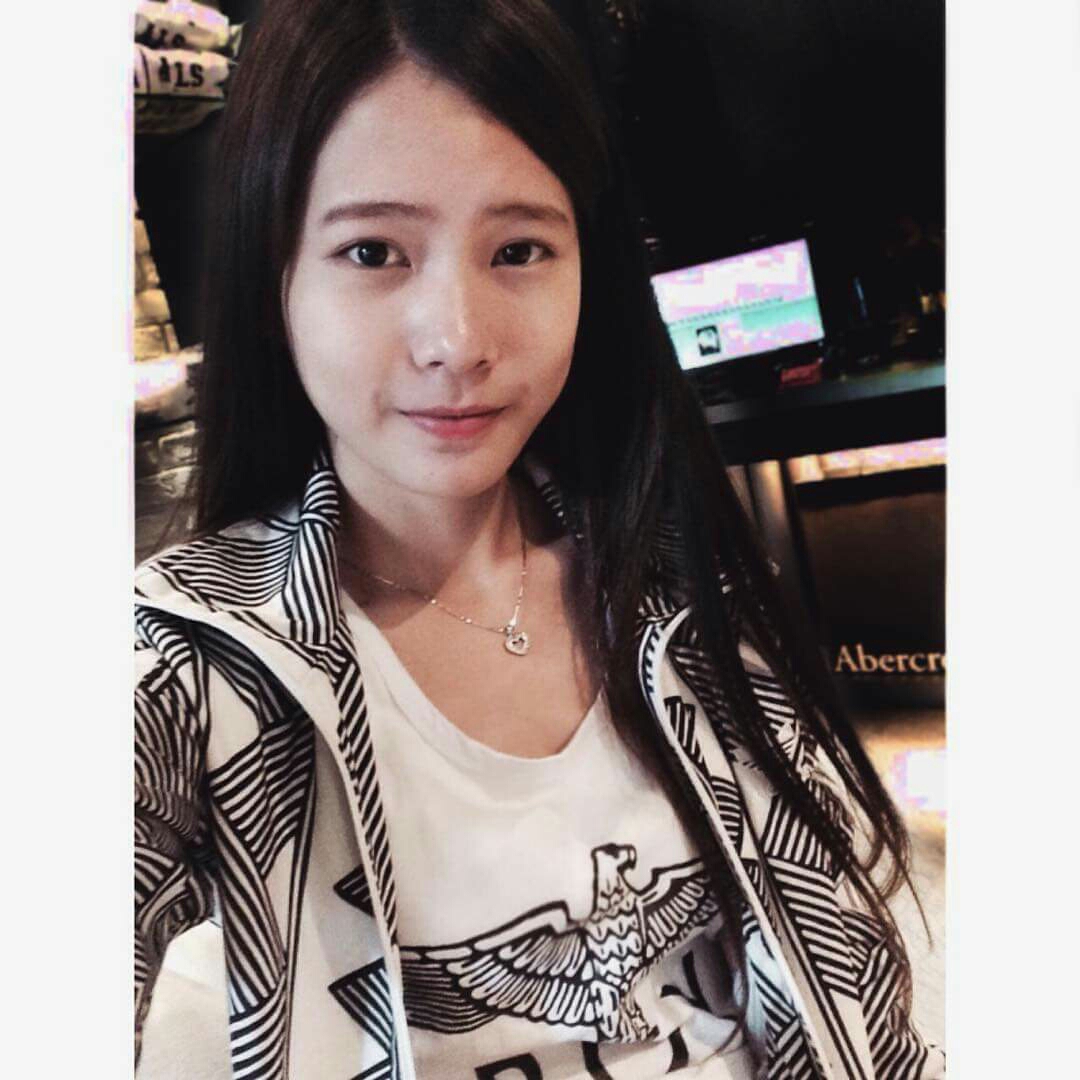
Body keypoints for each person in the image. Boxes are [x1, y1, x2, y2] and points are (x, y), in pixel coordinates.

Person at [134, 1, 945, 1077]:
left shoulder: (679, 583)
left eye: (518, 249)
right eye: (374, 251)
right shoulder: (187, 666)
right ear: (272, 275)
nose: (458, 340)